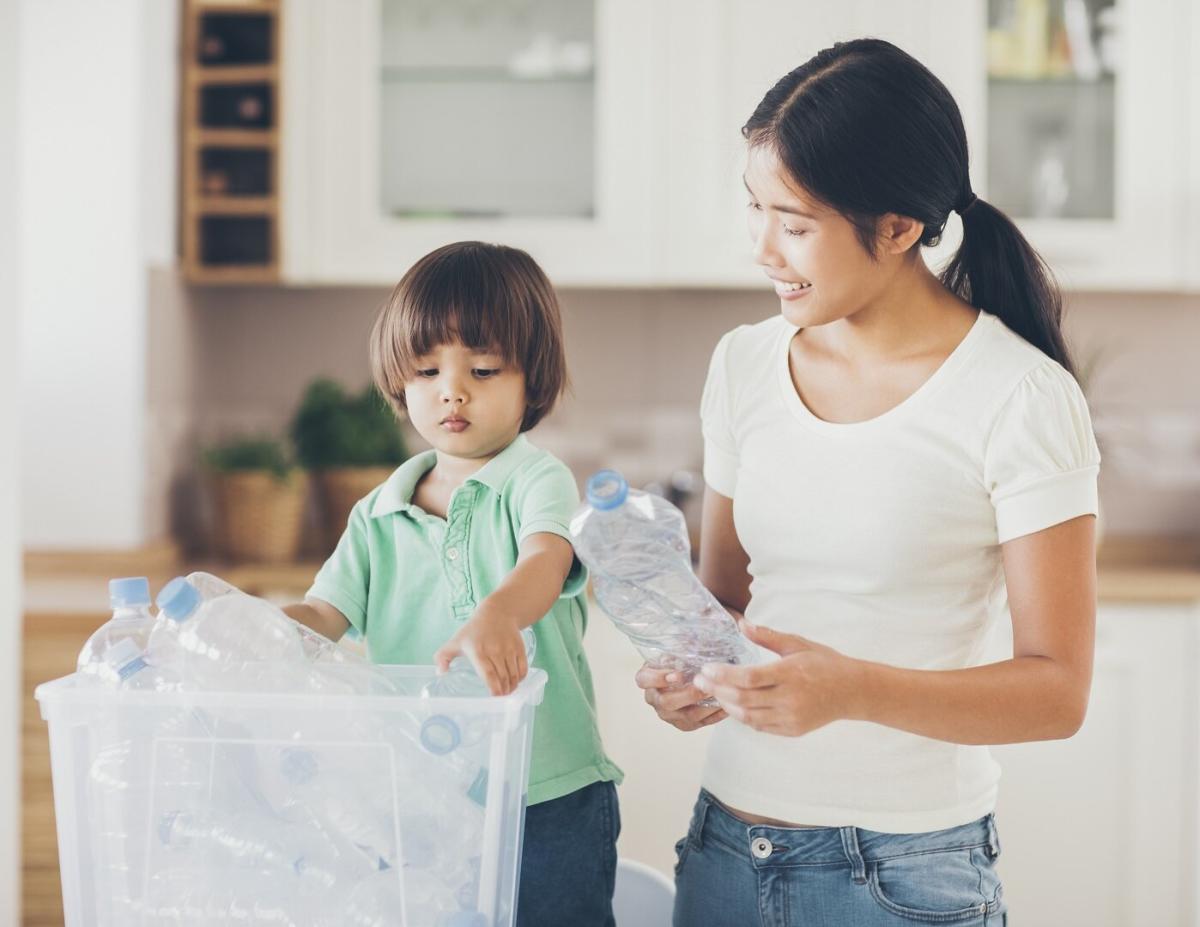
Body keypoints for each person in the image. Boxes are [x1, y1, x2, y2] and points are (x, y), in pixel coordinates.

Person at [636, 38, 1098, 926]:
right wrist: (689, 672)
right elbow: (724, 598)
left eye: (796, 223)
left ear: (897, 228)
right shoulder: (743, 365)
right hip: (726, 848)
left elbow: (1057, 691)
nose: (764, 248)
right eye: (755, 209)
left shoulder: (1021, 396)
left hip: (903, 871)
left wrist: (850, 689)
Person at [284, 241, 623, 927]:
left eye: (484, 367)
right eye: (428, 369)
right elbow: (325, 611)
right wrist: (257, 630)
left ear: (533, 380)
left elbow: (547, 559)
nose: (452, 389)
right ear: (398, 382)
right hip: (416, 793)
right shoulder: (378, 511)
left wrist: (499, 613)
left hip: (546, 789)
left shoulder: (536, 478)